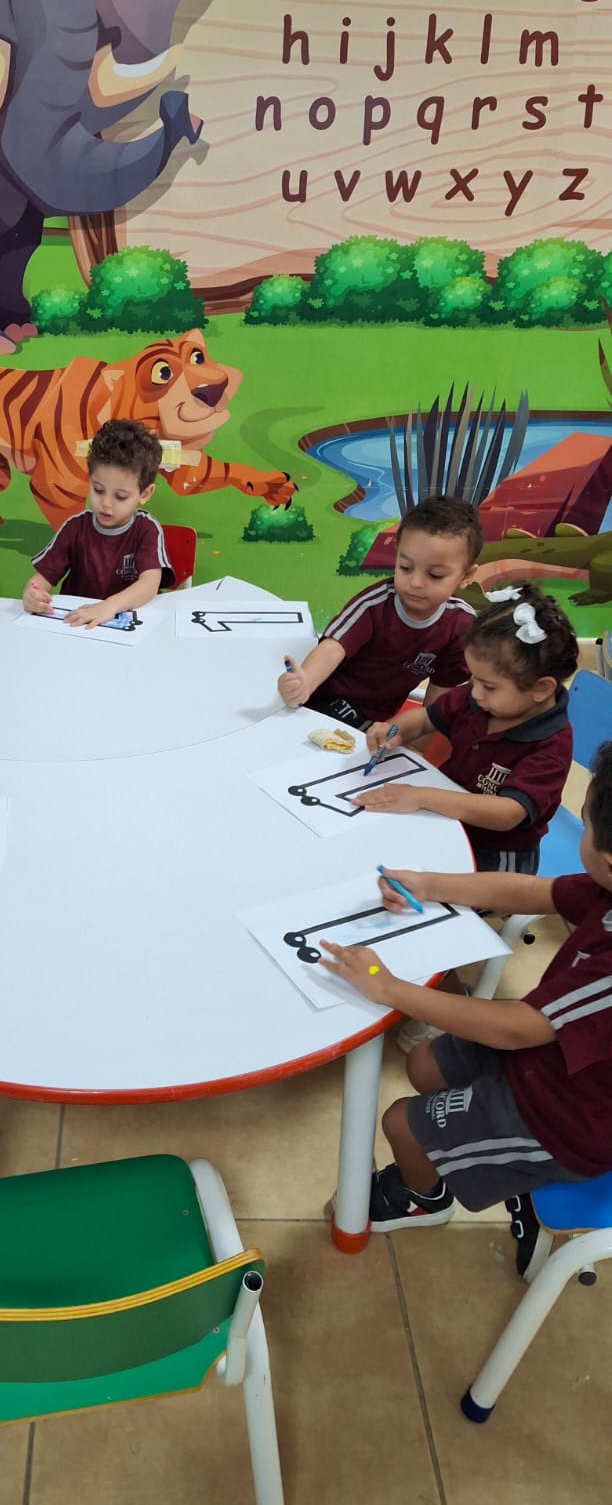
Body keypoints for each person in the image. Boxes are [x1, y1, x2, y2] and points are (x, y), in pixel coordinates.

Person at [319, 739, 612, 1276]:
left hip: (575, 1120)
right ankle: (465, 1150)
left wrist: (388, 987)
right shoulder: (605, 887)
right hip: (554, 1062)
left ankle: (424, 1198)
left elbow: (520, 1028)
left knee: (402, 1123)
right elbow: (535, 893)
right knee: (423, 1062)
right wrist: (431, 885)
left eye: (586, 823)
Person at [354, 584, 578, 874]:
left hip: (494, 854)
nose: (475, 692)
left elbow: (507, 813)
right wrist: (394, 730)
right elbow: (424, 720)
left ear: (541, 688)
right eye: (474, 679)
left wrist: (421, 797)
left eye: (489, 686)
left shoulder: (551, 745)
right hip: (446, 819)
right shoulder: (478, 699)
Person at [278, 495, 482, 728]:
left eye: (435, 575)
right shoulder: (374, 605)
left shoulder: (461, 625)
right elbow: (332, 649)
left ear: (466, 576)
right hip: (326, 699)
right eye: (405, 567)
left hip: (376, 719)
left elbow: (438, 701)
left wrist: (416, 742)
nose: (415, 582)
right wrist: (305, 682)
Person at [24, 419, 174, 629]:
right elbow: (43, 579)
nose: (106, 503)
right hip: (78, 627)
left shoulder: (146, 529)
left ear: (145, 494)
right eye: (98, 489)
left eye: (120, 496)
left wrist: (109, 606)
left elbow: (149, 583)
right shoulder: (75, 528)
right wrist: (32, 594)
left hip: (125, 628)